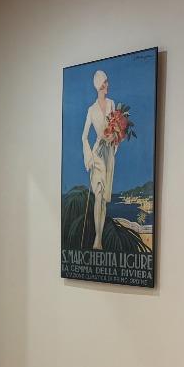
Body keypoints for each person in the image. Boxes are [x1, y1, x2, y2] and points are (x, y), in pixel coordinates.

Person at [81, 69, 118, 250]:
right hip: (96, 155)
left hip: (109, 154)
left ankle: (99, 237)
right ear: (100, 85)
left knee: (103, 199)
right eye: (106, 82)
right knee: (97, 194)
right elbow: (84, 136)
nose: (108, 85)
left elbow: (116, 130)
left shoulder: (112, 104)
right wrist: (88, 157)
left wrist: (114, 139)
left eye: (108, 82)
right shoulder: (91, 110)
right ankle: (97, 239)